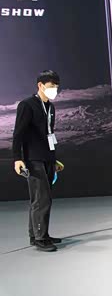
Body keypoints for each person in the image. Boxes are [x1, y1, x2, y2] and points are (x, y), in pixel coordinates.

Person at [12, 70, 65, 252]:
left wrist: (54, 159)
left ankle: (38, 235)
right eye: (51, 86)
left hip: (47, 158)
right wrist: (18, 159)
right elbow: (18, 134)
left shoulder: (51, 107)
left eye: (56, 87)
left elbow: (49, 135)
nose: (54, 90)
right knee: (41, 199)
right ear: (40, 85)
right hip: (33, 159)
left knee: (40, 199)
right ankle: (40, 238)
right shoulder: (27, 105)